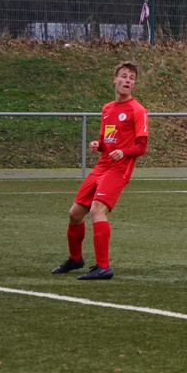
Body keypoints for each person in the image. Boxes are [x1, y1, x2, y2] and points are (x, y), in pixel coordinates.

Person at [52, 61, 149, 280]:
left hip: (119, 169)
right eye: (124, 76)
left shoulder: (138, 110)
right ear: (115, 80)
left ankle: (104, 267)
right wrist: (99, 145)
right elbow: (106, 141)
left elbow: (141, 147)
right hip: (102, 166)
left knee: (97, 210)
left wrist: (123, 152)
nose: (128, 81)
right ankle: (75, 259)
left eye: (132, 78)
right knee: (75, 214)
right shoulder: (107, 109)